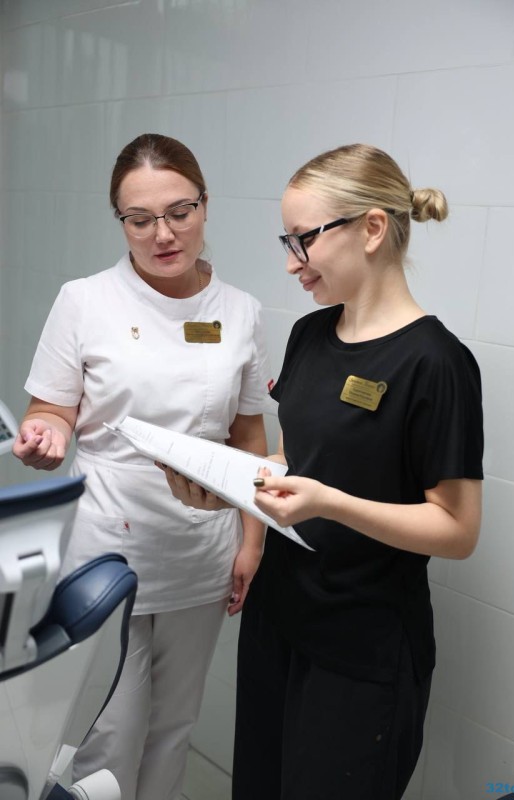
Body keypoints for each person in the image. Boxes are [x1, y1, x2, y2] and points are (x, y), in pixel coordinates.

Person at [166, 142, 484, 800]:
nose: (291, 263)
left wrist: (330, 503)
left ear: (372, 228)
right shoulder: (310, 336)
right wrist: (226, 485)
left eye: (303, 240)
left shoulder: (436, 363)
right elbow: (292, 462)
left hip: (362, 649)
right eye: (286, 241)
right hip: (278, 623)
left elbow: (457, 530)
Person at [12, 133, 271, 800]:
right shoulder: (85, 300)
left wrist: (252, 540)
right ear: (120, 221)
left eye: (179, 212)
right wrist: (46, 433)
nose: (163, 234)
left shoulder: (240, 311)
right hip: (107, 548)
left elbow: (247, 435)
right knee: (109, 733)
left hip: (203, 548)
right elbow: (53, 409)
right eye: (139, 219)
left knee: (174, 727)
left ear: (205, 205)